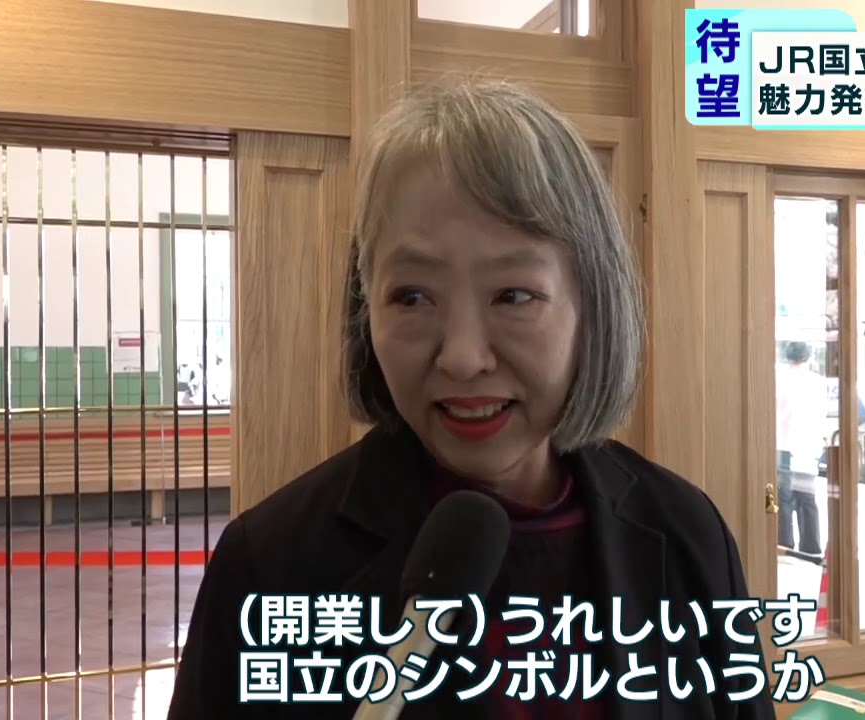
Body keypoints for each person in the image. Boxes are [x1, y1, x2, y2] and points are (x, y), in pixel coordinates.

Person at [167, 79, 775, 719]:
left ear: (592, 304)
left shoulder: (687, 532)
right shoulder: (269, 565)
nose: (461, 357)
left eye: (513, 295)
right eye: (411, 296)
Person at [775, 341, 826, 562]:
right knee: (807, 496)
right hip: (808, 445)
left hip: (783, 444)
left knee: (784, 496)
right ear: (808, 357)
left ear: (788, 357)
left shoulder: (779, 379)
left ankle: (784, 542)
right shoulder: (818, 383)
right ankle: (811, 545)